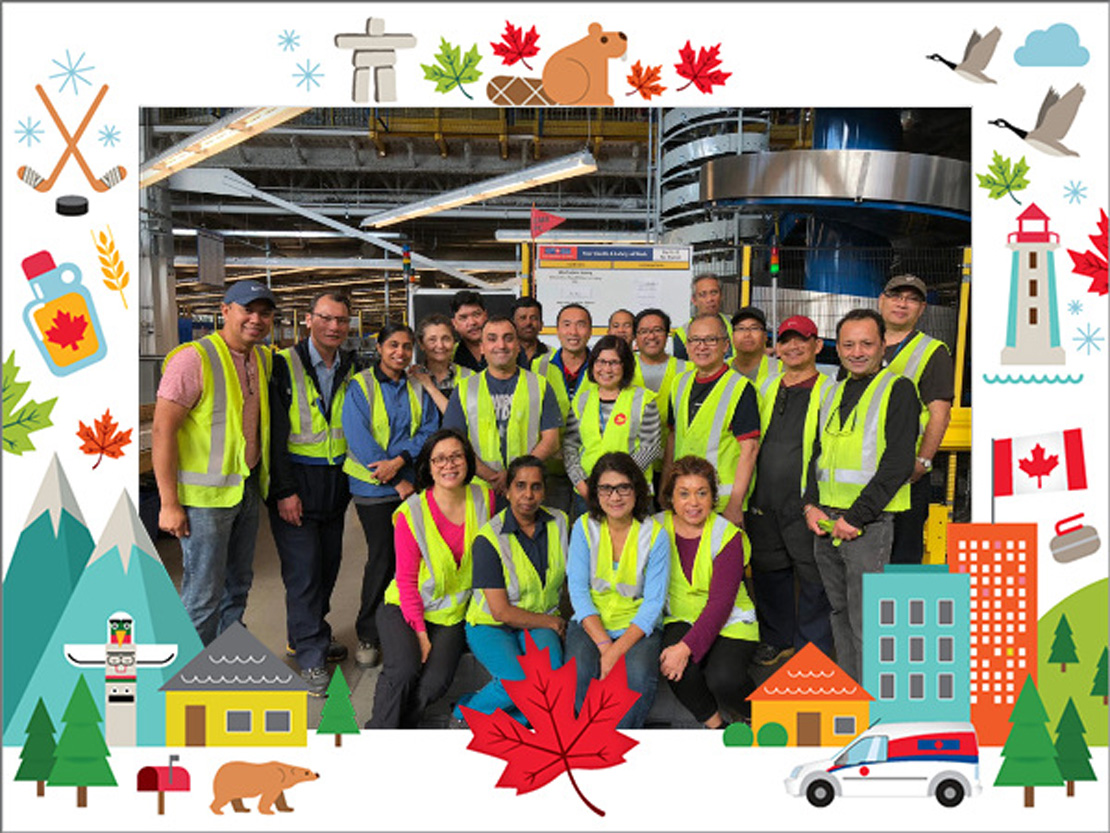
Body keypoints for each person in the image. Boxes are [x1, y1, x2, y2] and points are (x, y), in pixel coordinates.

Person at [154, 280, 276, 646]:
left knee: (238, 586)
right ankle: (186, 679)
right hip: (203, 501)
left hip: (245, 489)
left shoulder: (262, 358)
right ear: (225, 311)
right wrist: (169, 503)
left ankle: (224, 663)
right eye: (247, 310)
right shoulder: (194, 359)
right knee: (203, 595)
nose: (256, 319)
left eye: (264, 313)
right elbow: (163, 430)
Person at [803, 309, 918, 682]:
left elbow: (898, 463)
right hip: (826, 520)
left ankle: (876, 706)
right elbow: (817, 453)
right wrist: (810, 503)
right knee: (839, 612)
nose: (857, 352)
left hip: (867, 524)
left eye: (866, 343)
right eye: (848, 344)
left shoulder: (897, 389)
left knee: (868, 619)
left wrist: (855, 518)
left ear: (883, 343)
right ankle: (853, 695)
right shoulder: (832, 391)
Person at [367, 430, 495, 728]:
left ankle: (402, 729)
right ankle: (378, 734)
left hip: (450, 614)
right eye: (439, 459)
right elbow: (407, 582)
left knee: (433, 684)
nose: (448, 465)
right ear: (428, 466)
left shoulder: (483, 497)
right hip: (404, 607)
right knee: (404, 670)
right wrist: (421, 636)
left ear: (467, 460)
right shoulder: (410, 514)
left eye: (456, 456)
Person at [268, 292, 360, 694]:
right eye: (326, 318)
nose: (334, 327)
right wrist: (284, 490)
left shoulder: (354, 367)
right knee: (303, 571)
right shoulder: (282, 365)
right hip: (296, 480)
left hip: (335, 480)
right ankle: (310, 654)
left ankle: (308, 632)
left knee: (327, 566)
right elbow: (272, 433)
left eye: (342, 320)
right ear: (308, 320)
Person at [343, 322, 439, 670]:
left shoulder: (417, 385)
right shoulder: (360, 386)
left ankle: (408, 626)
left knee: (413, 562)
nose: (400, 352)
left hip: (411, 484)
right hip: (374, 489)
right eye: (393, 345)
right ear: (379, 347)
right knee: (383, 560)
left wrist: (400, 463)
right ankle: (368, 634)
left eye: (407, 346)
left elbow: (429, 429)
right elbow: (358, 437)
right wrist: (394, 479)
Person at [745, 316, 834, 668]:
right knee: (769, 571)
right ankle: (777, 639)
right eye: (786, 341)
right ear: (776, 349)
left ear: (817, 345)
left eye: (802, 340)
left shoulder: (830, 390)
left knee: (812, 573)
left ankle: (811, 647)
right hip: (764, 497)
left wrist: (815, 499)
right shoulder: (766, 386)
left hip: (806, 501)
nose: (793, 347)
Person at [455, 455, 569, 725]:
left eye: (536, 486)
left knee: (549, 685)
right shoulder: (488, 538)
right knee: (517, 682)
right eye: (520, 485)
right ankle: (463, 716)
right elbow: (500, 611)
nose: (528, 495)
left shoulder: (560, 522)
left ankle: (504, 723)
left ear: (544, 491)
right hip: (491, 625)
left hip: (538, 619)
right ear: (506, 490)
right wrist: (553, 622)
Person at [566, 452, 670, 729]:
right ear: (596, 492)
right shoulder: (583, 527)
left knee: (636, 678)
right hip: (591, 621)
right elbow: (577, 589)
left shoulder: (655, 534)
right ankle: (585, 742)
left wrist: (615, 652)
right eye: (606, 488)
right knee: (578, 673)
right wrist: (603, 645)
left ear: (637, 490)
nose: (615, 497)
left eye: (623, 487)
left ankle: (621, 744)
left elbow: (654, 602)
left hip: (636, 626)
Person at [657, 456, 759, 727]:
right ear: (670, 497)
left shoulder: (727, 534)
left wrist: (686, 647)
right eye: (684, 493)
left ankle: (760, 717)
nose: (693, 502)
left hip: (731, 620)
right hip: (680, 617)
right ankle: (717, 727)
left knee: (723, 678)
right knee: (673, 666)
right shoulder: (654, 528)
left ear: (713, 497)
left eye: (702, 493)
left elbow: (721, 603)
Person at [878, 275, 954, 565]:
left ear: (922, 309)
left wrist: (922, 462)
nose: (902, 303)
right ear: (881, 300)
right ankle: (864, 613)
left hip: (906, 474)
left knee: (903, 558)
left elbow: (940, 414)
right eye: (896, 295)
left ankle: (904, 612)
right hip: (863, 472)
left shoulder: (932, 352)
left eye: (911, 299)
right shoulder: (862, 344)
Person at [443, 316, 561, 503]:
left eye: (508, 338)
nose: (501, 345)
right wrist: (491, 477)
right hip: (479, 490)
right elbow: (455, 444)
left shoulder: (540, 385)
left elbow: (551, 441)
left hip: (527, 489)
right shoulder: (465, 389)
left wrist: (514, 475)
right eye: (492, 338)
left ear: (517, 345)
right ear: (482, 347)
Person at [665, 314, 760, 527]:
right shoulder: (679, 383)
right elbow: (673, 438)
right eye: (695, 340)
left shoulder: (740, 388)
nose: (702, 346)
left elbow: (750, 449)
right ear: (687, 346)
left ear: (726, 345)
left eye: (710, 340)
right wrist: (667, 488)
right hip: (684, 500)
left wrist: (735, 504)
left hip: (721, 503)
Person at [564, 335, 661, 519]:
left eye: (614, 362)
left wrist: (618, 484)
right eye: (601, 361)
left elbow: (651, 448)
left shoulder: (643, 400)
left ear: (626, 366)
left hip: (631, 493)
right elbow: (570, 447)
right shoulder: (582, 400)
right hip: (587, 493)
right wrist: (582, 485)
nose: (606, 369)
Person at [532, 303, 593, 513]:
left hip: (589, 470)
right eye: (567, 325)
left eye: (580, 325)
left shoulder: (602, 366)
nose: (573, 332)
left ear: (590, 330)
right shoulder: (538, 366)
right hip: (549, 468)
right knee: (553, 531)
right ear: (557, 330)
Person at [632, 308, 688, 496]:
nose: (651, 336)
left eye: (657, 330)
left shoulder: (686, 369)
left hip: (676, 463)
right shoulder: (623, 367)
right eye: (644, 331)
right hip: (635, 464)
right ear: (635, 337)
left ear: (667, 335)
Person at [407, 313, 473, 416]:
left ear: (454, 342)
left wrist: (429, 386)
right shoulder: (410, 378)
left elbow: (463, 419)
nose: (440, 345)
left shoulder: (470, 377)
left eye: (446, 339)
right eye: (432, 340)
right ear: (421, 344)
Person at [673, 274, 733, 361]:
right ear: (694, 300)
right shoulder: (682, 333)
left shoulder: (735, 324)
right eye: (703, 294)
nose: (710, 299)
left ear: (721, 296)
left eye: (714, 293)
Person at [730, 306, 782, 390]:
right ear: (732, 336)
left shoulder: (781, 370)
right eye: (741, 328)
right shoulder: (720, 369)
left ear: (765, 336)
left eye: (754, 328)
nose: (747, 334)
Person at [450, 290, 488, 372]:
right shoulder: (450, 355)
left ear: (485, 315)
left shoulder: (503, 348)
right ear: (454, 323)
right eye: (463, 318)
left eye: (476, 315)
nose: (472, 322)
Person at [511, 296, 549, 367]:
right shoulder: (504, 354)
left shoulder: (554, 356)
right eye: (523, 318)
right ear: (512, 324)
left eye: (533, 318)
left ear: (541, 324)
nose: (528, 323)